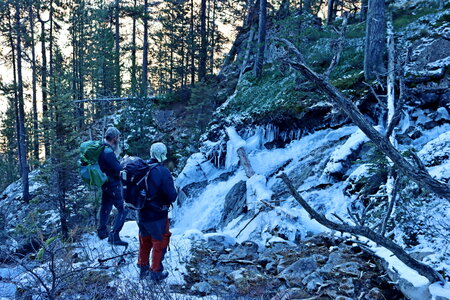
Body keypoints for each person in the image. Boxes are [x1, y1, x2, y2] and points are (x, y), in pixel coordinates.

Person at [137, 142, 177, 281]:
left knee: (145, 240)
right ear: (162, 154)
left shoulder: (141, 168)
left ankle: (143, 269)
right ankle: (156, 272)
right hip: (157, 214)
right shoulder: (162, 171)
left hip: (141, 212)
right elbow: (172, 195)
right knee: (160, 241)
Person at [97, 127, 129, 246]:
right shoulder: (109, 152)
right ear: (114, 138)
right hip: (113, 184)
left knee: (106, 205)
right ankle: (114, 236)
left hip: (105, 183)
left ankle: (102, 231)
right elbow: (118, 170)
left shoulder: (102, 149)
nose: (119, 140)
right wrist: (124, 165)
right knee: (124, 209)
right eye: (118, 138)